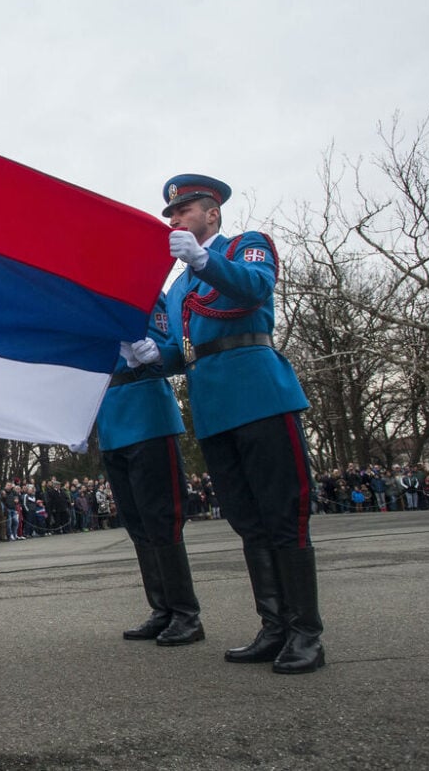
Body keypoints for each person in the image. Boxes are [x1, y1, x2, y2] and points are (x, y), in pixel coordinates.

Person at [131, 173, 324, 674]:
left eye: (183, 211)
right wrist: (151, 356)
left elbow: (256, 289)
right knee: (248, 521)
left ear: (211, 213)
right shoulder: (177, 288)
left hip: (259, 394)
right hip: (214, 408)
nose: (173, 220)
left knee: (284, 516)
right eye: (170, 214)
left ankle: (306, 633)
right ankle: (275, 626)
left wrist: (203, 260)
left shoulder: (246, 246)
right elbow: (184, 351)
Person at [96, 295, 204, 646]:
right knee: (137, 522)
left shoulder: (145, 292)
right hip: (110, 418)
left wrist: (152, 353)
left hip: (147, 412)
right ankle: (161, 609)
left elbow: (169, 349)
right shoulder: (89, 301)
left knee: (162, 519)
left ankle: (185, 614)